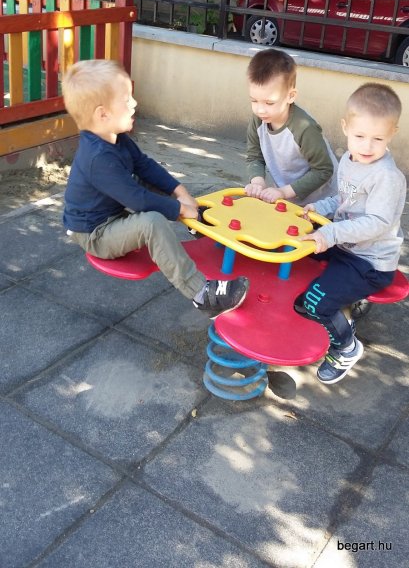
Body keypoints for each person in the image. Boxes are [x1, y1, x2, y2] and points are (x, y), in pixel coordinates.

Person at [62, 59, 249, 319]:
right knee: (152, 222)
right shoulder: (98, 158)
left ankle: (196, 222)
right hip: (96, 234)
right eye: (126, 100)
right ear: (103, 114)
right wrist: (179, 209)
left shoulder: (116, 138)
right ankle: (202, 294)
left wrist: (181, 192)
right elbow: (138, 201)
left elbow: (144, 165)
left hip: (112, 216)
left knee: (148, 183)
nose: (134, 103)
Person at [295, 82, 406, 385]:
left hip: (369, 263)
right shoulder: (349, 159)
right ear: (345, 127)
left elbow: (376, 223)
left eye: (377, 138)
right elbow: (343, 200)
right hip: (346, 245)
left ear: (392, 133)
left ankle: (346, 346)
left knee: (314, 303)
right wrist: (319, 207)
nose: (367, 146)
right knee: (296, 247)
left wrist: (330, 233)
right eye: (359, 136)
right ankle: (339, 303)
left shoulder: (387, 177)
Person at [245, 48, 338, 205]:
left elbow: (323, 170)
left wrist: (283, 192)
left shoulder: (305, 128)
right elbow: (254, 156)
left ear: (290, 96)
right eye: (254, 100)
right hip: (287, 198)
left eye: (269, 103)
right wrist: (258, 183)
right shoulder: (259, 120)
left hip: (323, 203)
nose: (260, 110)